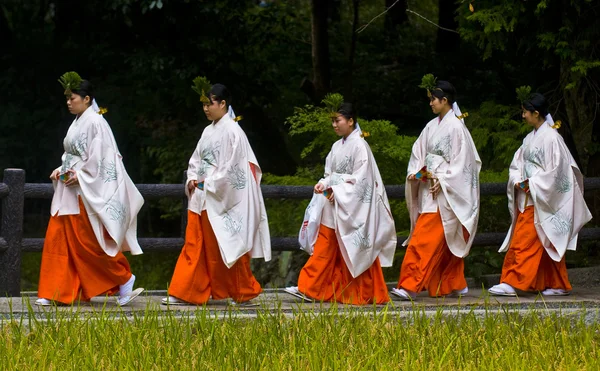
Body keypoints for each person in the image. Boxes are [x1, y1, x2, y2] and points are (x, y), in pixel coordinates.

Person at [36, 71, 144, 306]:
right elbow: (72, 154)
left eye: (72, 98)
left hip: (83, 192)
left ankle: (124, 278)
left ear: (86, 99)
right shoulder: (78, 122)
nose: (68, 102)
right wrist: (61, 167)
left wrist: (82, 176)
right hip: (70, 189)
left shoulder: (96, 121)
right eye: (67, 98)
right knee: (59, 238)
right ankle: (56, 291)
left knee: (87, 243)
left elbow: (104, 159)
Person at [162, 77, 270, 306]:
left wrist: (209, 184)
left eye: (209, 103)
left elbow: (234, 169)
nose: (205, 109)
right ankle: (186, 292)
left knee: (225, 245)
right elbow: (196, 160)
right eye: (203, 104)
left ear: (222, 104)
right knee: (194, 245)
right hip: (202, 196)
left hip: (219, 197)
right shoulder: (207, 131)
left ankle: (244, 292)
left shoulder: (233, 132)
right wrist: (192, 178)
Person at [285, 96, 396, 305]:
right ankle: (309, 287)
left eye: (338, 120)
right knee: (325, 246)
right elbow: (330, 173)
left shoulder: (360, 146)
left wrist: (335, 187)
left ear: (351, 120)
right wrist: (323, 183)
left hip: (350, 205)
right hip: (334, 202)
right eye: (333, 121)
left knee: (353, 248)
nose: (334, 125)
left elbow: (362, 181)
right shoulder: (337, 146)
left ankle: (363, 290)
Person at [488, 93, 592, 296]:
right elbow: (517, 164)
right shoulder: (529, 139)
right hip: (529, 194)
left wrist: (533, 184)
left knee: (524, 240)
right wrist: (518, 180)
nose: (523, 116)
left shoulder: (553, 138)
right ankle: (557, 283)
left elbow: (557, 172)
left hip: (540, 196)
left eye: (526, 112)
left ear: (536, 113)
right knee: (545, 240)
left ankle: (513, 281)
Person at [392, 76, 481, 300]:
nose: (430, 103)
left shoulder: (457, 128)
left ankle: (410, 285)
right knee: (441, 241)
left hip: (445, 192)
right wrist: (418, 172)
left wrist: (444, 178)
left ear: (445, 100)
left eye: (434, 99)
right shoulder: (431, 127)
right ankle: (453, 283)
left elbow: (465, 164)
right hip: (428, 189)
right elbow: (418, 154)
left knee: (424, 239)